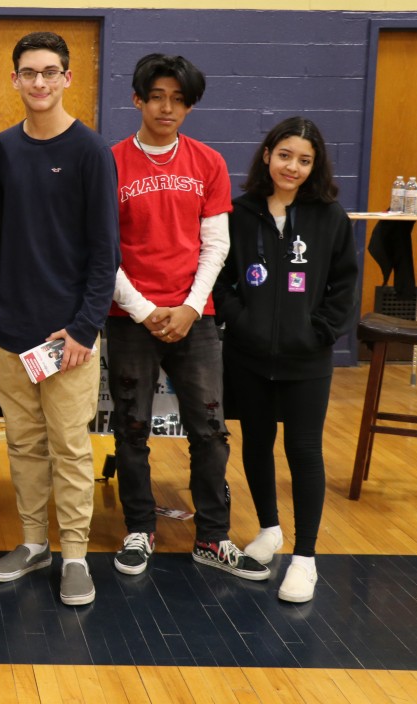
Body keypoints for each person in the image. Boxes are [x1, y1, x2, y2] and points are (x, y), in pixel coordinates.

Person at [107, 53, 269, 582]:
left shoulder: (208, 163)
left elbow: (215, 243)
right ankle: (138, 528)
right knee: (131, 429)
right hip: (131, 316)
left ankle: (213, 537)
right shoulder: (110, 162)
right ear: (137, 99)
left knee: (210, 431)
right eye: (157, 96)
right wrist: (147, 310)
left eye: (178, 99)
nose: (167, 107)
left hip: (195, 318)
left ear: (190, 106)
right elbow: (101, 251)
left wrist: (190, 307)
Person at [0, 33, 120, 606]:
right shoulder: (1, 149)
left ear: (67, 79)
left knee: (70, 447)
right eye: (28, 73)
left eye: (50, 72)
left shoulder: (90, 151)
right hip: (7, 333)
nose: (39, 82)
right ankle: (35, 543)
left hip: (68, 339)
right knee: (23, 445)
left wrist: (85, 328)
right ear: (14, 80)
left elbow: (104, 251)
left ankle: (75, 557)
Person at [213, 117, 358, 603]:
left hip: (306, 361)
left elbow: (344, 285)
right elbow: (221, 275)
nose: (291, 167)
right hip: (248, 355)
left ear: (314, 166)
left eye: (304, 160)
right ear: (267, 154)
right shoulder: (240, 211)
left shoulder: (329, 216)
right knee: (255, 443)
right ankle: (269, 529)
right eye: (284, 155)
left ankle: (305, 558)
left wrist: (319, 332)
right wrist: (240, 319)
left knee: (303, 452)